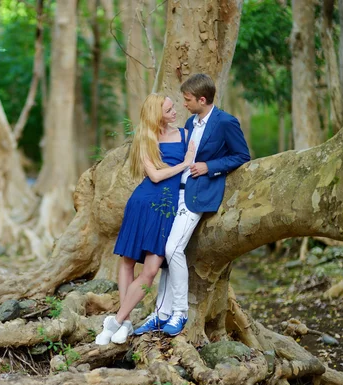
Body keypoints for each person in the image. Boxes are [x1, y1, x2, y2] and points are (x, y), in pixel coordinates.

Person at [133, 73, 251, 337]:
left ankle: (180, 313)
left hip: (199, 195)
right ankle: (160, 314)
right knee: (163, 252)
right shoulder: (190, 121)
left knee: (173, 248)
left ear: (201, 99)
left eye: (187, 100)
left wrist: (210, 166)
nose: (183, 104)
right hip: (174, 194)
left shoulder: (225, 122)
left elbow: (242, 155)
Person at [95, 93, 196, 345]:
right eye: (170, 109)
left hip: (167, 207)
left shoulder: (185, 135)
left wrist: (190, 163)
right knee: (128, 262)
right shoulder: (145, 138)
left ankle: (116, 321)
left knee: (150, 270)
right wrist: (184, 163)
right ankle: (126, 322)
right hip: (142, 202)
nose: (175, 112)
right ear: (157, 114)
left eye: (174, 108)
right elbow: (155, 176)